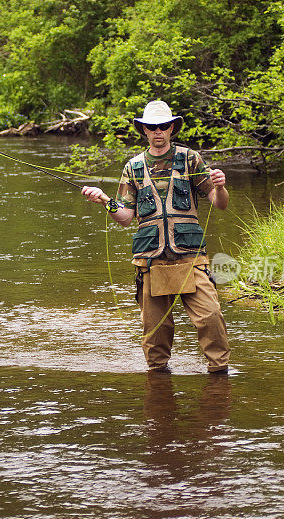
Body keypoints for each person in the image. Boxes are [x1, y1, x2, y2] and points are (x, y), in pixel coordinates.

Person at [82, 100, 231, 374]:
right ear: (144, 130)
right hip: (151, 260)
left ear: (172, 128)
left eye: (163, 126)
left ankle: (220, 378)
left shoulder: (191, 159)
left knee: (210, 317)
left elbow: (219, 203)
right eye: (152, 127)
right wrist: (105, 200)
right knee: (156, 331)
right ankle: (159, 387)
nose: (158, 131)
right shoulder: (133, 167)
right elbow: (125, 217)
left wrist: (221, 186)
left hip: (190, 258)